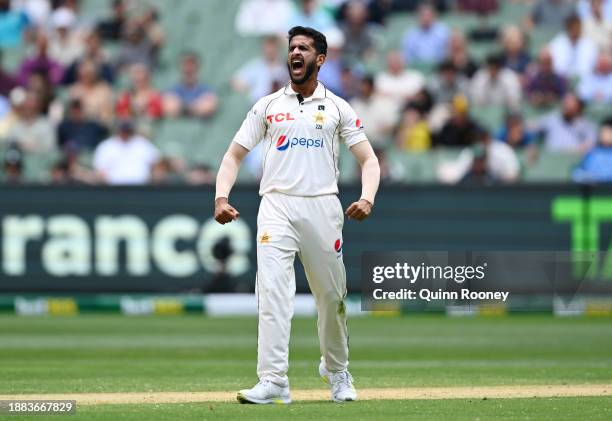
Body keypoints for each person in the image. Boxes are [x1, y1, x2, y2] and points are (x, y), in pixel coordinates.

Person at [214, 26, 380, 404]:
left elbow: (369, 159)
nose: (295, 53)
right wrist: (221, 197)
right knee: (272, 292)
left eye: (304, 48)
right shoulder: (268, 105)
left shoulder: (337, 107)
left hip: (322, 205)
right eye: (292, 48)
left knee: (331, 297)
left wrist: (367, 198)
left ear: (320, 59)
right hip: (276, 205)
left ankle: (337, 371)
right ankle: (273, 380)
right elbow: (233, 155)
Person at [93, 119, 161, 185]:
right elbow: (100, 170)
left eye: (127, 130)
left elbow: (157, 163)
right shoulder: (106, 146)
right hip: (114, 190)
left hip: (141, 189)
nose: (125, 133)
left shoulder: (142, 144)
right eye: (123, 130)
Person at [232, 36, 287, 104]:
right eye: (266, 48)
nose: (269, 50)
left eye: (272, 47)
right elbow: (236, 82)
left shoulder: (285, 66)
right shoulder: (256, 66)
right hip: (260, 105)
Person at [164, 52, 218, 118]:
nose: (188, 68)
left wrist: (181, 108)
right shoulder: (173, 90)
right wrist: (196, 107)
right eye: (185, 64)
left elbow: (208, 106)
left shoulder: (206, 89)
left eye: (191, 64)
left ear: (198, 67)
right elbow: (169, 107)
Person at [549, 14, 598, 79]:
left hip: (585, 81)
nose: (576, 30)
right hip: (562, 81)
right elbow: (554, 66)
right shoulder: (557, 43)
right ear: (568, 28)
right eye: (573, 28)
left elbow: (593, 67)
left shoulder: (589, 44)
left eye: (578, 27)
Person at [573, 116, 612, 182]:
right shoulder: (592, 153)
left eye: (609, 132)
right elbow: (578, 173)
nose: (605, 135)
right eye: (603, 132)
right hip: (594, 190)